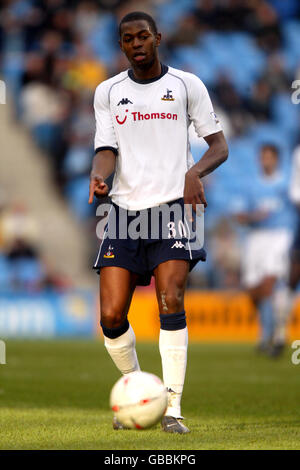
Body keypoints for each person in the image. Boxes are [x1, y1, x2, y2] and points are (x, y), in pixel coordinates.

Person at [88, 11, 228, 433]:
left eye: (143, 35)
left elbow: (219, 146)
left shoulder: (186, 86)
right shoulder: (108, 92)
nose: (137, 43)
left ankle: (172, 409)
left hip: (172, 209)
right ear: (121, 45)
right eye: (128, 38)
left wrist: (193, 173)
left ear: (158, 38)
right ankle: (135, 389)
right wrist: (99, 174)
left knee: (171, 300)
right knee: (111, 317)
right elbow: (105, 147)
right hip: (123, 214)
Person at [235, 144, 294, 356]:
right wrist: (253, 217)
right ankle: (266, 331)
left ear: (277, 159)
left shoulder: (288, 183)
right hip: (255, 237)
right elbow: (239, 215)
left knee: (270, 283)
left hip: (280, 235)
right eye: (263, 157)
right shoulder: (250, 185)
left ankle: (277, 334)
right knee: (252, 289)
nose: (266, 161)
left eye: (269, 157)